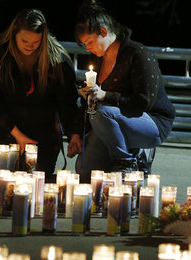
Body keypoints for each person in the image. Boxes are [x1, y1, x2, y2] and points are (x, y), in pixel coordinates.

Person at [0, 8, 84, 182]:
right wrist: (17, 135)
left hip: (42, 133)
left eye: (36, 42)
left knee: (36, 182)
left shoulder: (57, 60)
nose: (30, 46)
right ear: (14, 33)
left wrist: (73, 133)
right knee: (5, 180)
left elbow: (66, 100)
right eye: (25, 40)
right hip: (0, 129)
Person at [73, 1, 175, 182]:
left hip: (150, 122)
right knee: (85, 171)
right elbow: (90, 105)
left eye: (89, 41)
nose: (88, 48)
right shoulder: (97, 59)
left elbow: (144, 102)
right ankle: (128, 152)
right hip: (109, 121)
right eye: (84, 44)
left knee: (101, 112)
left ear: (103, 32)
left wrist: (105, 95)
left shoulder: (137, 54)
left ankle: (126, 161)